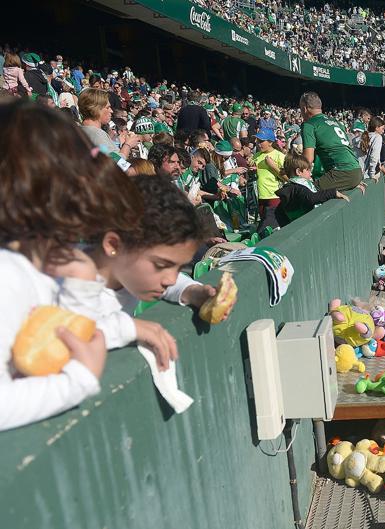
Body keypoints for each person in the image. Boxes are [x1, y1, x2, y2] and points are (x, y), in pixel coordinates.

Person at [0, 99, 144, 431]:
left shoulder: (54, 264)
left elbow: (72, 341)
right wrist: (78, 380)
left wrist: (80, 284)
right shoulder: (7, 274)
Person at [59, 176, 223, 371]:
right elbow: (62, 331)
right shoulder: (65, 275)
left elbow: (170, 278)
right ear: (113, 245)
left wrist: (193, 291)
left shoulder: (128, 272)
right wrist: (129, 328)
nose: (170, 279)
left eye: (178, 267)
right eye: (161, 265)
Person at [299, 92, 365, 192]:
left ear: (304, 108)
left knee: (304, 192)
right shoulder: (336, 122)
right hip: (356, 170)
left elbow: (308, 159)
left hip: (342, 172)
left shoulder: (309, 125)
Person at [270, 153, 349, 230]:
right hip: (307, 227)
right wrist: (333, 193)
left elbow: (279, 212)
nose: (310, 173)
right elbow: (311, 198)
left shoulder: (290, 188)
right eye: (307, 170)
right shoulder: (299, 189)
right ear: (299, 172)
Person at [78, 88, 138, 160]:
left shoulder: (80, 130)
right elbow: (117, 163)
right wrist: (128, 145)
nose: (111, 111)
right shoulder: (96, 134)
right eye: (108, 107)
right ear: (96, 109)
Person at [252, 128, 286, 231]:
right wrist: (252, 171)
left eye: (261, 141)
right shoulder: (256, 155)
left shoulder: (280, 156)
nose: (258, 144)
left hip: (274, 196)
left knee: (272, 228)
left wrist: (273, 167)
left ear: (270, 142)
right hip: (260, 197)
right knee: (265, 229)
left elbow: (287, 178)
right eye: (257, 140)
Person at [360, 116, 385, 181]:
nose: (383, 131)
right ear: (377, 128)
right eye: (382, 129)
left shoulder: (361, 136)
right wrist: (372, 174)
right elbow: (374, 157)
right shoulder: (378, 137)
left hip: (356, 172)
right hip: (365, 174)